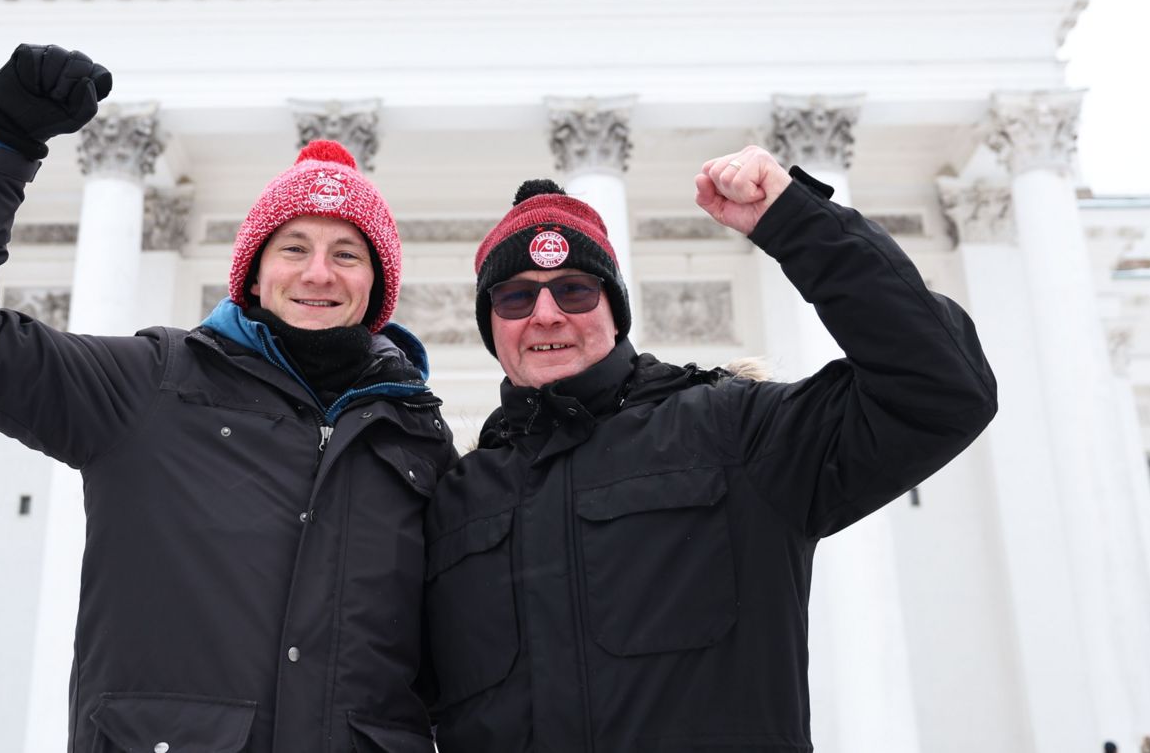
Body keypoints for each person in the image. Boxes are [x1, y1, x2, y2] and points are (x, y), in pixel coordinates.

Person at [0, 44, 457, 752]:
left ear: (375, 285)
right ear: (251, 273)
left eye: (347, 253)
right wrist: (1, 140)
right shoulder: (150, 385)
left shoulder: (415, 440)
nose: (319, 272)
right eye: (294, 247)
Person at [422, 145, 997, 750]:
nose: (545, 315)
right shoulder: (455, 502)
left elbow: (942, 390)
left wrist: (797, 221)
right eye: (515, 297)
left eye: (574, 291)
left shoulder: (734, 435)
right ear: (492, 326)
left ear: (615, 312)